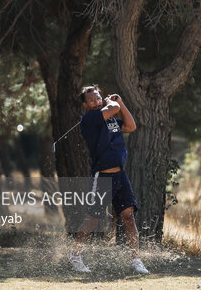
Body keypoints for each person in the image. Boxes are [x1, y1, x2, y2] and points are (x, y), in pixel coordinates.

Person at [68, 84, 149, 274]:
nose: (96, 102)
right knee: (94, 218)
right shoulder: (89, 119)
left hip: (120, 175)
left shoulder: (111, 119)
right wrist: (113, 103)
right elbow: (113, 108)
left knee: (128, 217)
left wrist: (120, 102)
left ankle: (136, 260)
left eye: (97, 98)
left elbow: (131, 126)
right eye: (91, 100)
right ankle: (74, 256)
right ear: (86, 105)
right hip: (102, 176)